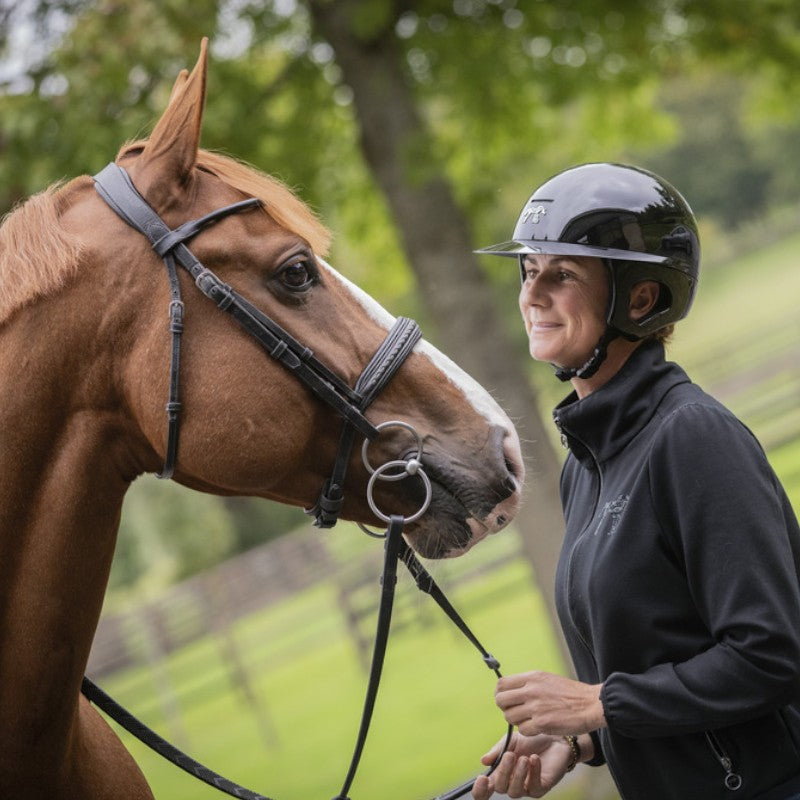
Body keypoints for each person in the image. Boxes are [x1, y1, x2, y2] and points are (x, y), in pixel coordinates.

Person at [471, 163, 800, 800]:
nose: (532, 295)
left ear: (640, 298)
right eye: (529, 270)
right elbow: (660, 654)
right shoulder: (585, 466)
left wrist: (596, 705)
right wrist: (582, 741)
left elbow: (772, 655)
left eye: (561, 275)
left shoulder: (693, 438)